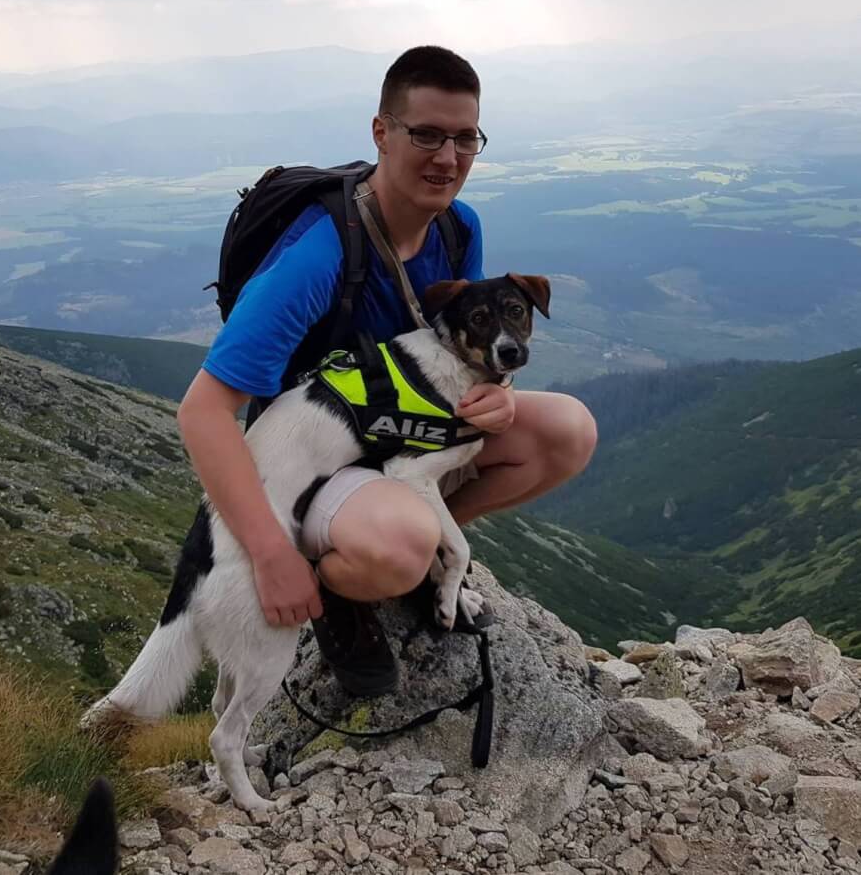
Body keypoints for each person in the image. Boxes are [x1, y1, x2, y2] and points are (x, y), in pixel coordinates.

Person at [177, 45, 598, 697]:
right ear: (381, 131)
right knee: (400, 545)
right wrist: (271, 553)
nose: (448, 157)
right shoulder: (318, 256)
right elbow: (202, 413)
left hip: (400, 439)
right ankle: (342, 580)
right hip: (321, 456)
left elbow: (465, 349)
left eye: (465, 138)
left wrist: (501, 393)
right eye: (426, 134)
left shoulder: (457, 228)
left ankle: (420, 549)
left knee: (568, 431)